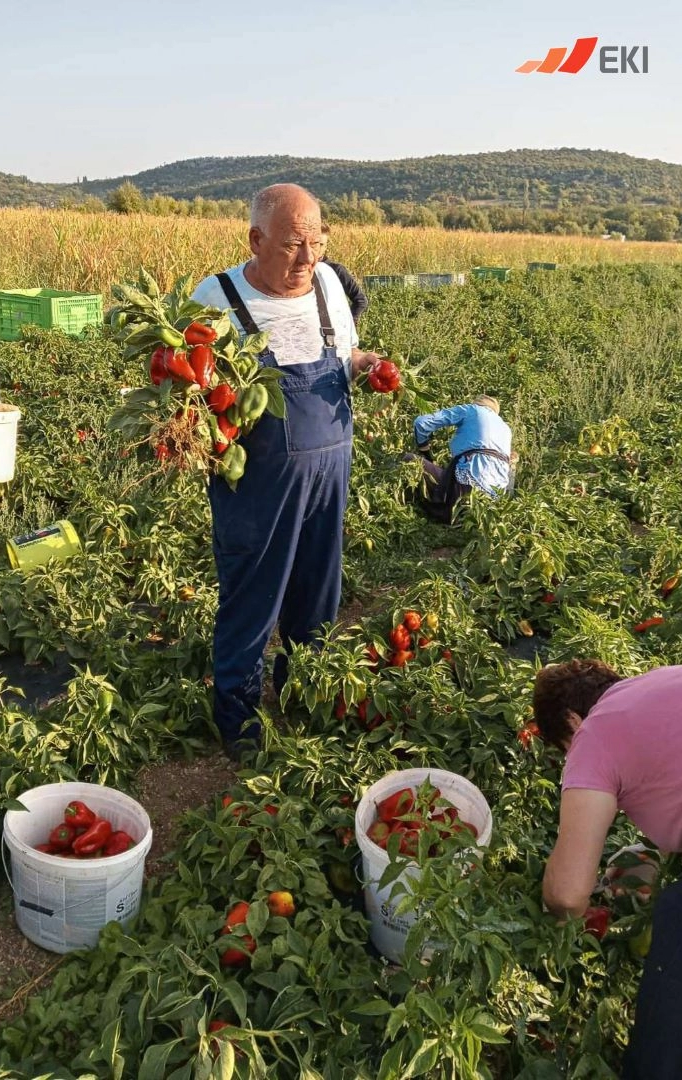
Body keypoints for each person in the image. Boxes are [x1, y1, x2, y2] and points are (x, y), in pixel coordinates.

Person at [191, 184, 381, 752]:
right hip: (258, 484)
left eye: (317, 243)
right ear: (256, 239)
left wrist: (364, 364)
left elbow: (343, 355)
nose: (307, 258)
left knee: (317, 592)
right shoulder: (216, 299)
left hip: (330, 472)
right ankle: (239, 717)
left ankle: (304, 690)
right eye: (293, 245)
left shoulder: (329, 283)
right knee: (253, 597)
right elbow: (189, 393)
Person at [532, 660, 682, 1080]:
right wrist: (649, 855)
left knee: (678, 921)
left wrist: (552, 921)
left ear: (572, 721)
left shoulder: (593, 732)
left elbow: (566, 895)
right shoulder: (666, 680)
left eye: (565, 748)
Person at [406, 395, 516, 523]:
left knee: (409, 460)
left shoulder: (472, 410)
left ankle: (412, 511)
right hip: (492, 507)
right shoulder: (506, 429)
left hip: (465, 490)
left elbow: (421, 423)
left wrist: (424, 449)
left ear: (477, 404)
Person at [319, 223, 369, 326]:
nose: (317, 248)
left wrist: (348, 324)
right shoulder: (298, 270)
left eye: (321, 244)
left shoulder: (336, 270)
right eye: (314, 243)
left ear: (326, 246)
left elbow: (360, 300)